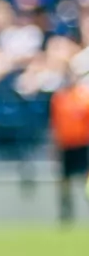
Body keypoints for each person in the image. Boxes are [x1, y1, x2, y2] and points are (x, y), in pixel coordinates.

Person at [49, 66, 89, 223]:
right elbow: (54, 123)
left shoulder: (84, 97)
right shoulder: (59, 98)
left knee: (85, 177)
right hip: (66, 145)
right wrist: (54, 145)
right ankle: (66, 211)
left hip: (83, 144)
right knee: (65, 179)